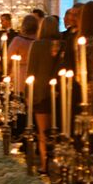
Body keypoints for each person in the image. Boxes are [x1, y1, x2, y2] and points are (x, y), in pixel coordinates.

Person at [26, 15, 62, 168]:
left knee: (42, 132)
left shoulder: (37, 45)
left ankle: (44, 164)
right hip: (58, 92)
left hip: (40, 91)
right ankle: (58, 164)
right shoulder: (62, 45)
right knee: (57, 130)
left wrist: (27, 92)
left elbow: (31, 70)